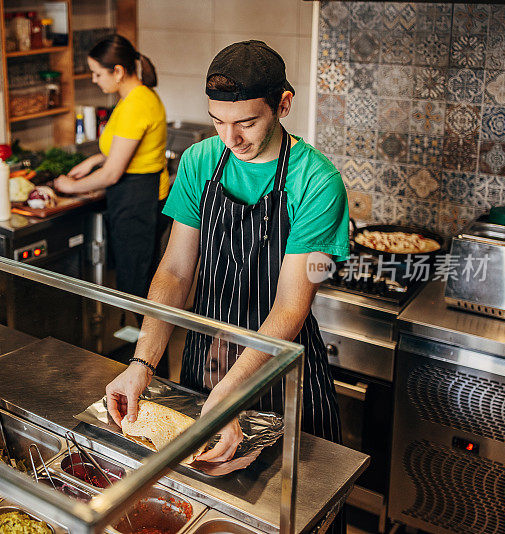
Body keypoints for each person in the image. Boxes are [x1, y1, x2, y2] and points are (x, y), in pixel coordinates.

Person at [104, 41, 349, 531]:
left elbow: (288, 308)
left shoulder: (317, 182)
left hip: (283, 377)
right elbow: (174, 271)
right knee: (203, 516)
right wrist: (142, 362)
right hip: (203, 366)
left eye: (247, 123)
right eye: (217, 120)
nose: (230, 137)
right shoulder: (200, 162)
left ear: (283, 104)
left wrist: (228, 397)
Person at [53, 35, 169, 301]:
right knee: (138, 277)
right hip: (140, 194)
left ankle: (144, 342)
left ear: (117, 71)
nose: (94, 80)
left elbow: (112, 173)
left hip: (138, 199)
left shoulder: (135, 105)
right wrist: (93, 160)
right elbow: (125, 149)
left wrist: (69, 186)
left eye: (97, 73)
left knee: (136, 284)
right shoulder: (138, 97)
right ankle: (141, 339)